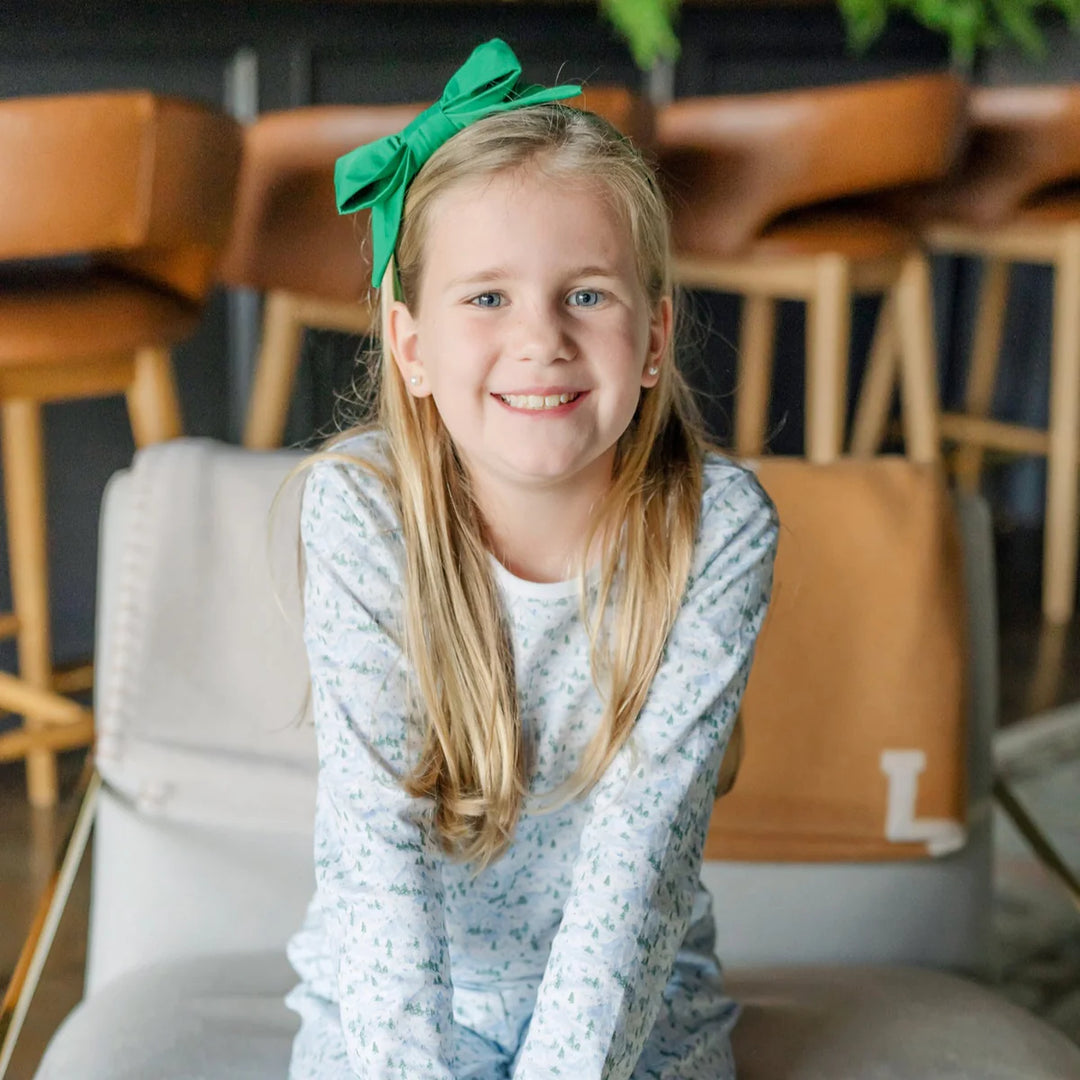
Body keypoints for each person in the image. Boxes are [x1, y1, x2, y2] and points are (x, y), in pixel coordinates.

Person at [284, 38, 779, 1080]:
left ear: (653, 338)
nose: (540, 339)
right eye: (487, 298)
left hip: (637, 1001)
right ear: (410, 346)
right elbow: (379, 873)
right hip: (398, 1005)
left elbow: (635, 878)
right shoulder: (358, 514)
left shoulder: (717, 529)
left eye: (587, 295)